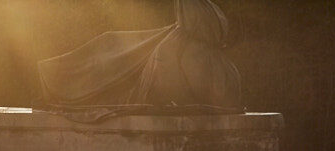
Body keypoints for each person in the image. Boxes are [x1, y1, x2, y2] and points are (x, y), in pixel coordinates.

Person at [38, 0, 241, 110]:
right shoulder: (183, 39)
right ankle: (56, 75)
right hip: (131, 54)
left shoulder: (185, 46)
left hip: (135, 67)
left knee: (106, 54)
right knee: (107, 48)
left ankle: (57, 76)